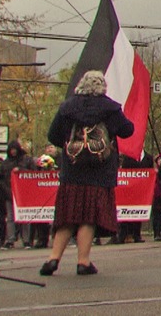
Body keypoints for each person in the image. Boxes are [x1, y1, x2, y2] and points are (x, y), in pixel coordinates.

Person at [39, 70, 135, 276]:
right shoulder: (109, 108)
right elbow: (127, 130)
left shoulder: (67, 107)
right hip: (99, 172)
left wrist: (71, 143)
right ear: (102, 87)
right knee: (88, 217)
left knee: (67, 216)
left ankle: (53, 258)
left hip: (72, 171)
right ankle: (83, 261)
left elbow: (53, 135)